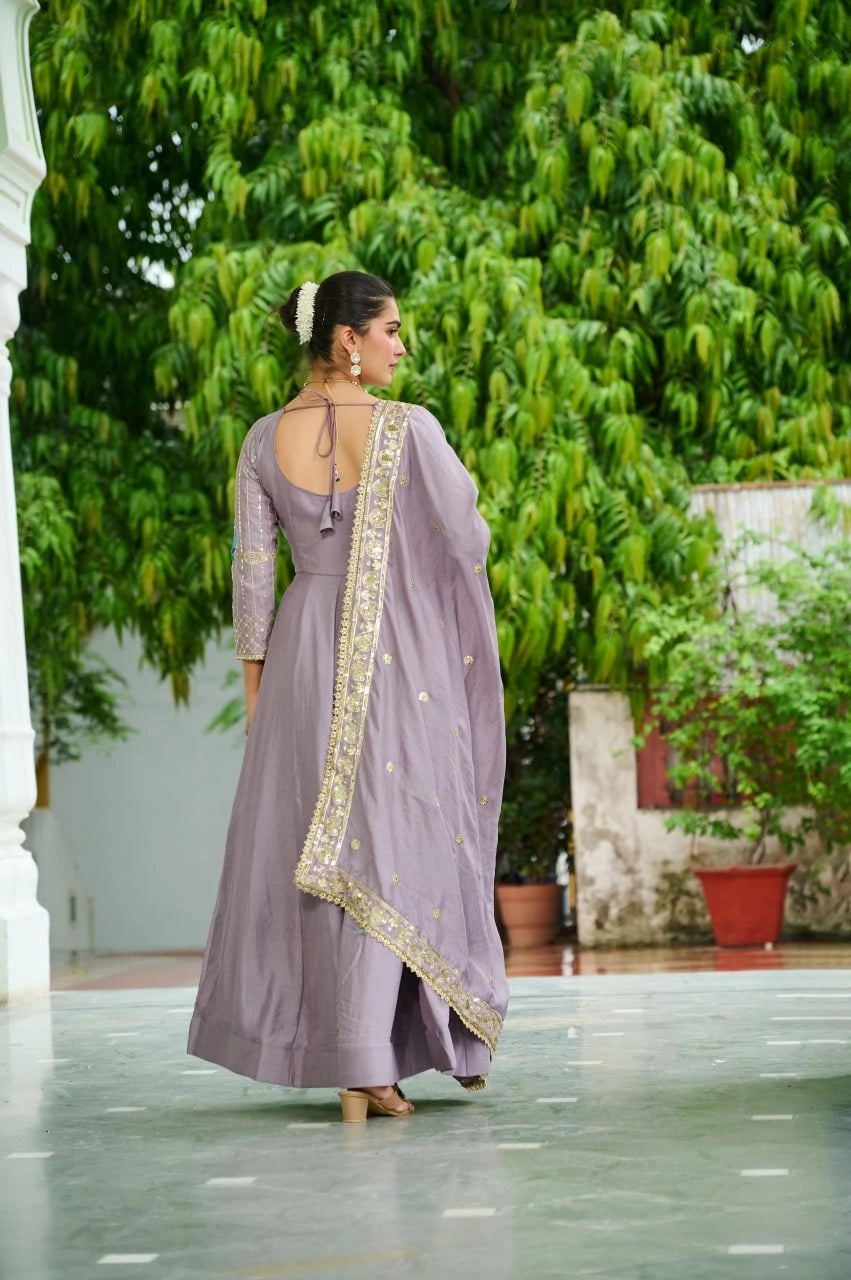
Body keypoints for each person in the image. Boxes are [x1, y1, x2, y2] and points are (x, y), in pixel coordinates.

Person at [187, 271, 508, 1122]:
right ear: (347, 341)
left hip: (299, 654)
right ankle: (375, 1055)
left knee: (325, 854)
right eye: (391, 330)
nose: (402, 345)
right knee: (393, 835)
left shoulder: (262, 440)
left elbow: (253, 580)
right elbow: (467, 536)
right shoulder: (408, 429)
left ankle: (356, 1052)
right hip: (393, 655)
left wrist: (259, 699)